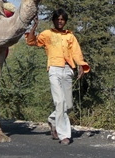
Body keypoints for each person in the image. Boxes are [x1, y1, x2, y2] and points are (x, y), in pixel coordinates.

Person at [26, 8, 90, 145]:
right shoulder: (47, 34)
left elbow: (76, 53)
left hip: (67, 70)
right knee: (60, 102)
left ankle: (52, 119)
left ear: (65, 21)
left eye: (62, 19)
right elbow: (32, 42)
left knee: (68, 105)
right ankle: (64, 135)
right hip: (54, 69)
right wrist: (34, 27)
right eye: (57, 19)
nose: (60, 22)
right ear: (54, 20)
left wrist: (81, 66)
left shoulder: (70, 36)